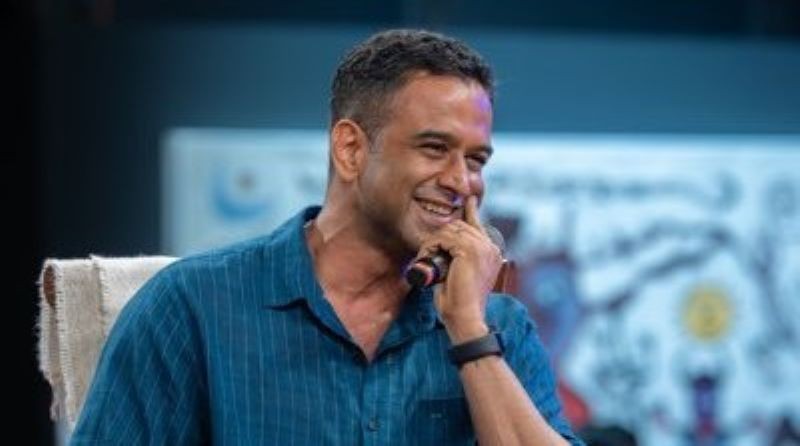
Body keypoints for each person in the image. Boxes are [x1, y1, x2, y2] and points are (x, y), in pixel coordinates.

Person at [71, 29, 582, 445]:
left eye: (475, 160)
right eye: (433, 148)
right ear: (350, 149)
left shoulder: (498, 327)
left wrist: (469, 333)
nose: (461, 181)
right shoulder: (193, 306)